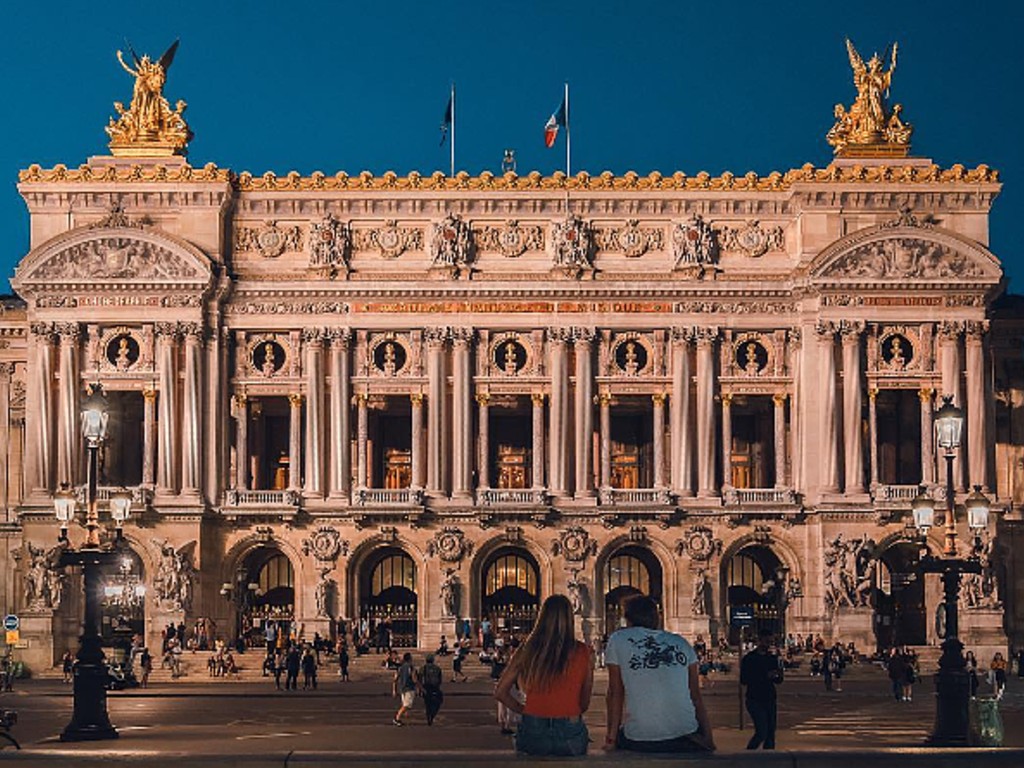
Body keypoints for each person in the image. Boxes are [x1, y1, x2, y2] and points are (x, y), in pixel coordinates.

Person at [604, 594, 715, 753]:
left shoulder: (618, 639)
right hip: (686, 736)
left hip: (641, 739)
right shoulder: (681, 643)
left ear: (628, 619)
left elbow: (615, 693)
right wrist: (709, 740)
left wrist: (611, 739)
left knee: (626, 734)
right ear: (656, 617)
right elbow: (695, 695)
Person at [494, 594, 593, 757]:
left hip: (533, 725)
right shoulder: (583, 652)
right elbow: (584, 702)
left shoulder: (527, 649)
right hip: (570, 726)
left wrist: (525, 710)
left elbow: (500, 692)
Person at [740, 628, 783, 750]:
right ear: (759, 641)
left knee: (770, 734)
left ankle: (769, 761)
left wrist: (778, 674)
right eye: (766, 642)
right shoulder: (749, 659)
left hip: (769, 698)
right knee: (762, 732)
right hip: (754, 699)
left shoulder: (773, 658)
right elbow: (744, 680)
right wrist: (765, 676)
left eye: (771, 642)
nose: (769, 645)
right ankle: (748, 756)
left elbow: (779, 681)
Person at [393, 652, 418, 726]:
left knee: (405, 704)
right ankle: (397, 718)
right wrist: (420, 687)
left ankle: (402, 717)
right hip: (409, 688)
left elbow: (395, 679)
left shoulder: (400, 667)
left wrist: (394, 689)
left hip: (402, 688)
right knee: (407, 705)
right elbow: (414, 679)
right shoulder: (411, 667)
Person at [420, 653, 444, 726]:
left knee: (428, 704)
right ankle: (432, 715)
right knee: (438, 702)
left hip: (426, 687)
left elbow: (420, 678)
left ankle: (429, 717)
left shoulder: (423, 668)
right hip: (435, 687)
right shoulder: (437, 668)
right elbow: (440, 679)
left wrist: (421, 688)